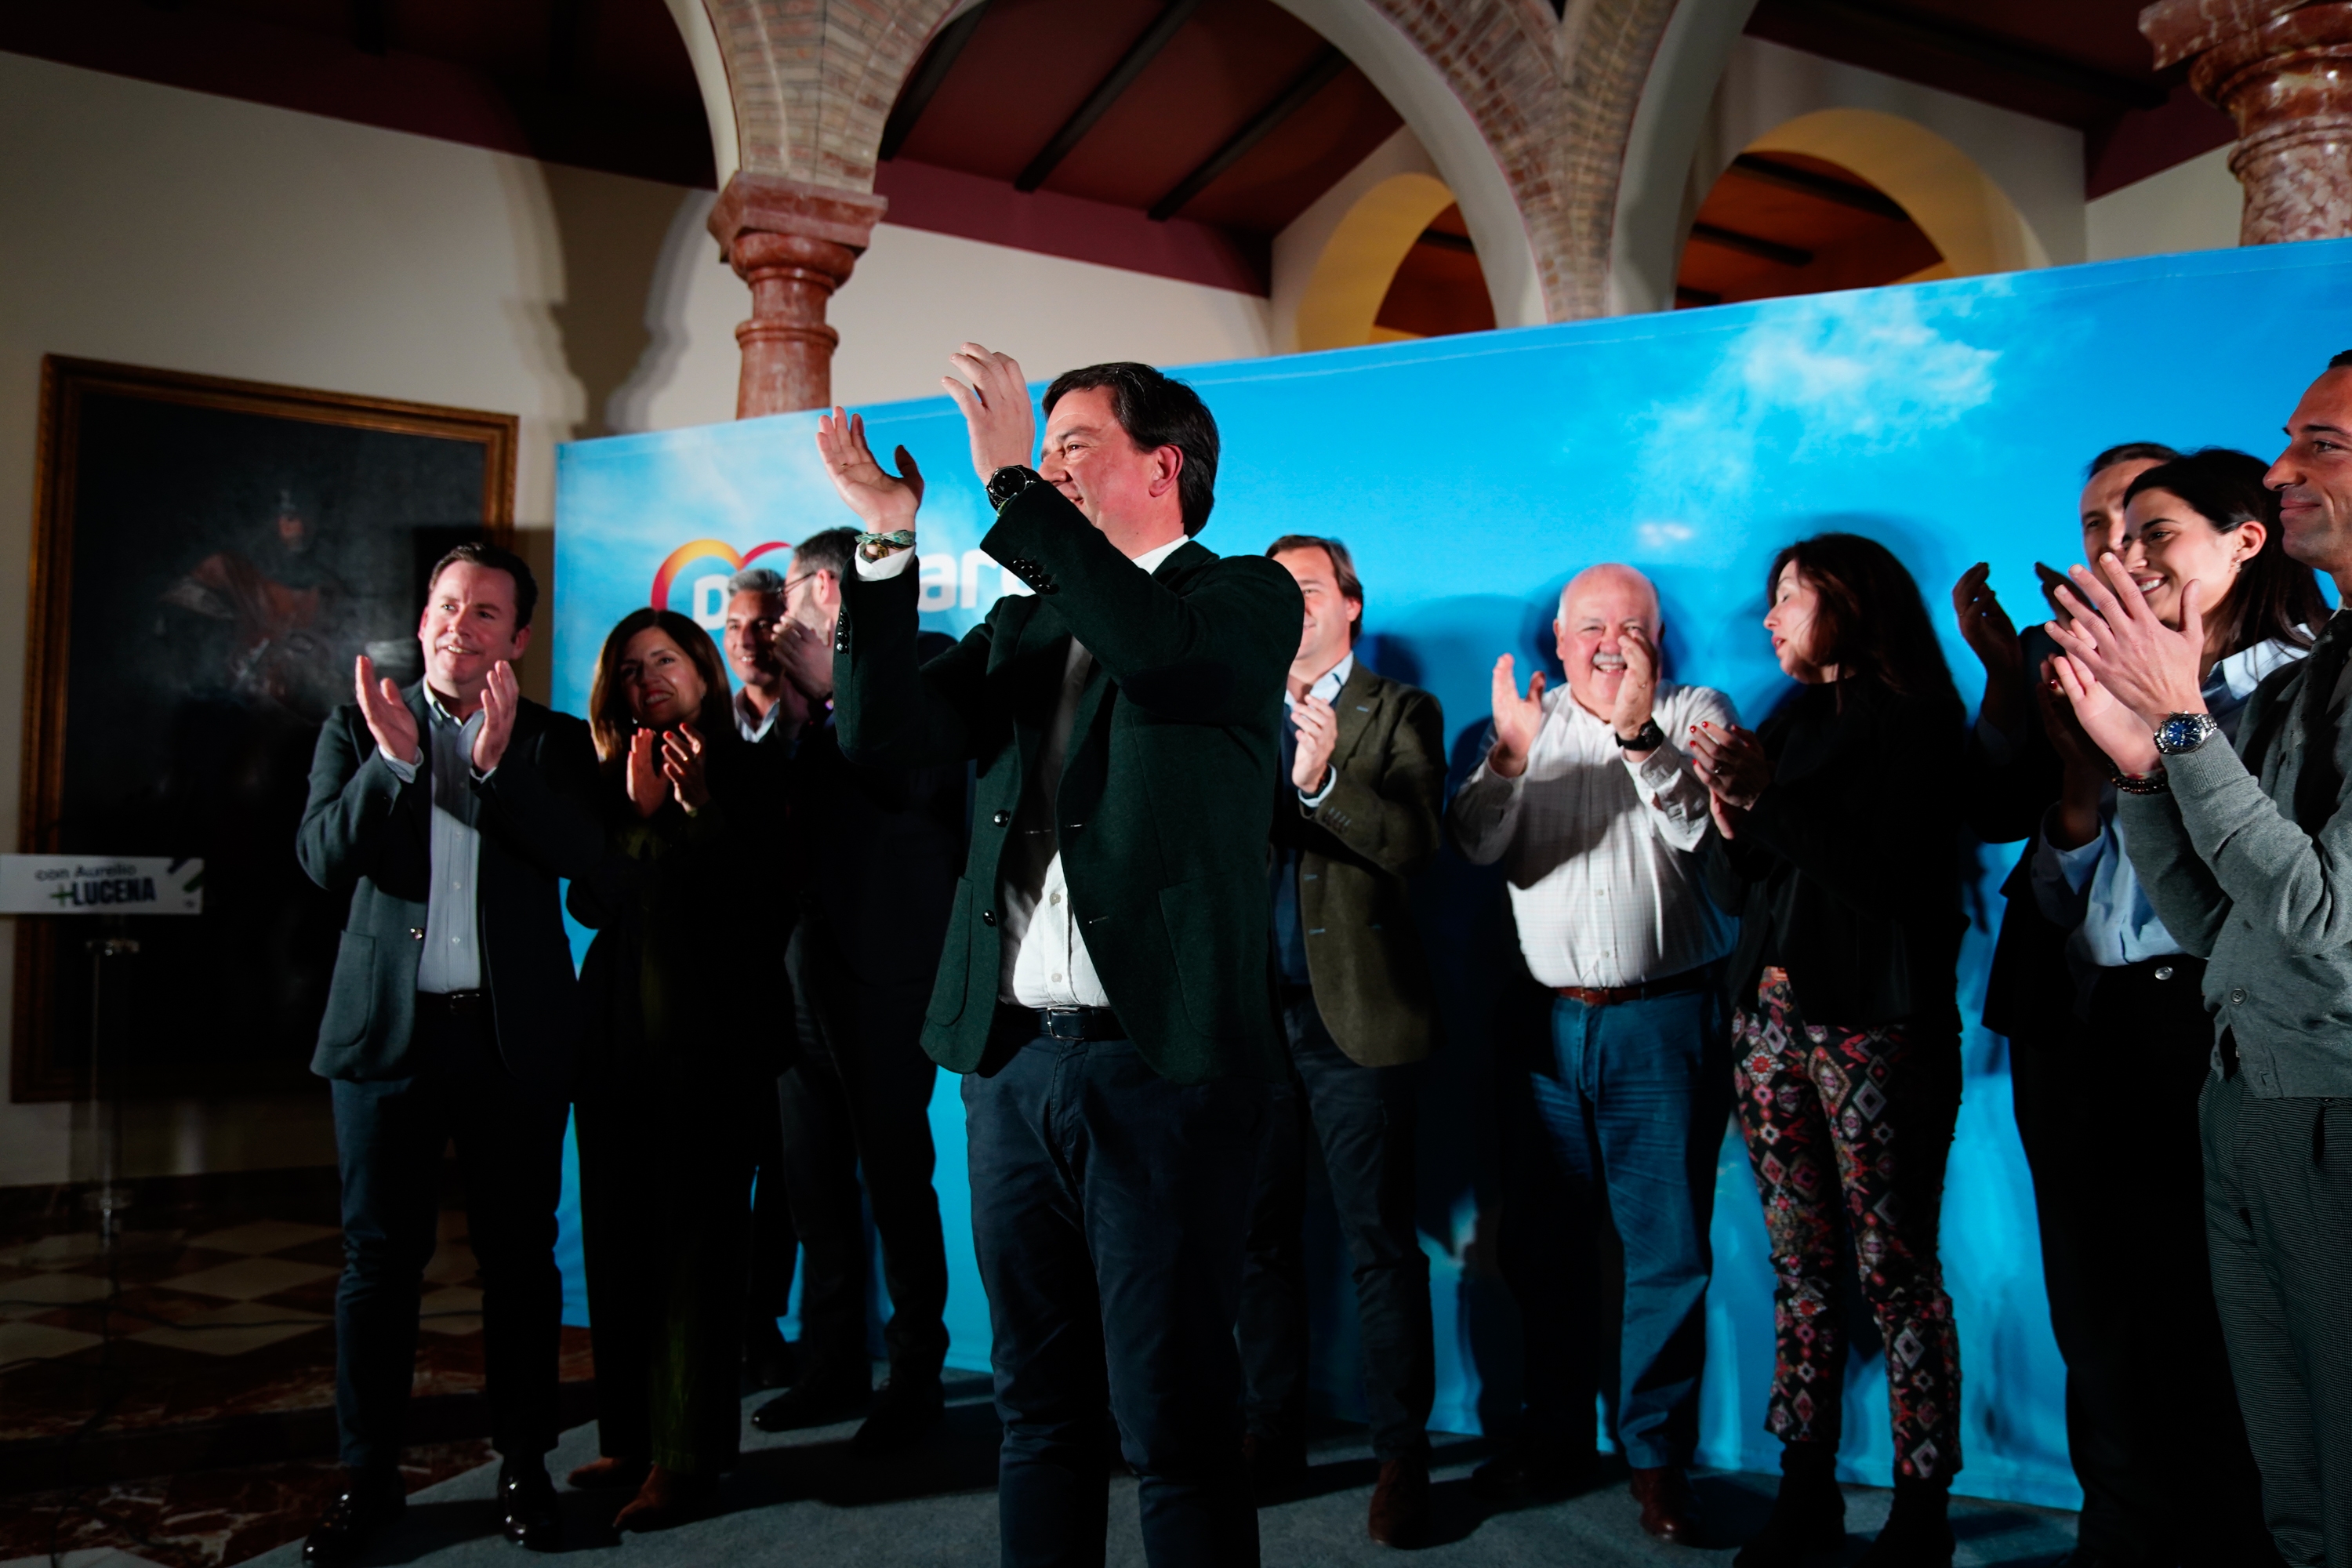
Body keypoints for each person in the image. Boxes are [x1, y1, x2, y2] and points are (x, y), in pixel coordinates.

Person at [816, 347, 1301, 1566]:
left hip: (1163, 1073)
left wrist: (1006, 487)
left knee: (1175, 1425)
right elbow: (883, 733)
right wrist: (886, 536)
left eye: (1074, 445)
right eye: (1049, 449)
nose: (1046, 467)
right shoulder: (1022, 622)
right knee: (1038, 1412)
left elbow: (1155, 651)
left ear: (1165, 465)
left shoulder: (1243, 603)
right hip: (1014, 1067)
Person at [2048, 353, 2352, 1568]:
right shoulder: (2315, 680)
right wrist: (2137, 765)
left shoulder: (2273, 682)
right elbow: (2222, 924)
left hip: (2332, 1110)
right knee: (2297, 1496)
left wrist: (2180, 724)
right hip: (2249, 1099)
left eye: (2319, 445)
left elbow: (2321, 914)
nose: (2280, 471)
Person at [1992, 452, 2312, 1568]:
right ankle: (2121, 1536)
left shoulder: (2293, 684)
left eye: (2150, 531)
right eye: (2108, 536)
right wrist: (2088, 788)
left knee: (2222, 1325)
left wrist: (2170, 738)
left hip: (2226, 1032)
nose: (2122, 557)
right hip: (2088, 1022)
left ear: (2245, 538)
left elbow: (2288, 908)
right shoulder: (2085, 677)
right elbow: (2075, 881)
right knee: (2100, 1310)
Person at [294, 542, 600, 1565]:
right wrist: (394, 768)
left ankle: (523, 1465)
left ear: (516, 637)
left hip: (511, 1045)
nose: (457, 628)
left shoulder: (552, 742)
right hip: (388, 1044)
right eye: (445, 606)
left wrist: (494, 771)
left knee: (520, 1263)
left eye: (484, 615)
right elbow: (322, 860)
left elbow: (590, 868)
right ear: (422, 615)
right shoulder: (355, 724)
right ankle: (367, 1476)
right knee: (378, 1266)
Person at [1691, 533, 1966, 1568]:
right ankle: (1804, 1492)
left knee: (1897, 1278)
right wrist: (1728, 822)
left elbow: (1885, 883)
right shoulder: (1791, 718)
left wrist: (1769, 804)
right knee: (1800, 1273)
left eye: (1791, 598)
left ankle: (1923, 1508)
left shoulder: (1916, 721)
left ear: (1852, 601)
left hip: (1876, 1035)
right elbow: (1741, 899)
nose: (1770, 619)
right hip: (1764, 1034)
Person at [1447, 562, 1737, 1544]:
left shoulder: (1698, 710)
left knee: (1667, 1253)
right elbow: (1474, 846)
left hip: (1663, 1020)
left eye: (1632, 625)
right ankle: (1557, 1433)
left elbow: (1702, 831)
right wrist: (1511, 761)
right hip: (1544, 1022)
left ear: (1661, 638)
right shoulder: (1525, 725)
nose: (1611, 643)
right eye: (1591, 627)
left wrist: (1637, 732)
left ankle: (1658, 1463)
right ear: (1559, 642)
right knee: (1545, 1243)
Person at [564, 608, 793, 1530]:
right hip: (616, 1045)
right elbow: (588, 896)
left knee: (696, 1255)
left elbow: (765, 901)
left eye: (663, 659)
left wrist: (696, 814)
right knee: (618, 1241)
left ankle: (688, 1458)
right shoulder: (608, 772)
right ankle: (628, 1432)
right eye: (629, 666)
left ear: (701, 668)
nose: (647, 677)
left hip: (714, 1050)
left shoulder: (751, 767)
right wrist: (633, 810)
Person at [1237, 535, 1444, 1545]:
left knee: (1378, 1247)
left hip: (1354, 1023)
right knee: (1256, 1242)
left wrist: (1322, 781)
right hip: (1247, 1024)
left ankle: (1403, 1457)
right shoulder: (1230, 708)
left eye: (1308, 587)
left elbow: (1413, 845)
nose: (1290, 604)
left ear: (1351, 606)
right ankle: (1269, 1434)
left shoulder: (1401, 711)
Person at [749, 525, 964, 1454]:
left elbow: (910, 781)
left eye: (794, 592)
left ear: (831, 592)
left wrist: (836, 685)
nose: (781, 616)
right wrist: (777, 712)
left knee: (895, 1180)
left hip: (889, 965)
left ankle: (914, 1378)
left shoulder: (930, 656)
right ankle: (828, 1362)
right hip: (796, 962)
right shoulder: (783, 688)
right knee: (811, 1182)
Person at [719, 564, 804, 1392]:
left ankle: (769, 1324)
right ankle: (731, 1324)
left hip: (804, 985)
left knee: (790, 1175)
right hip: (717, 987)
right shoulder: (700, 731)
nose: (748, 636)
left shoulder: (817, 725)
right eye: (735, 624)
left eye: (762, 623)